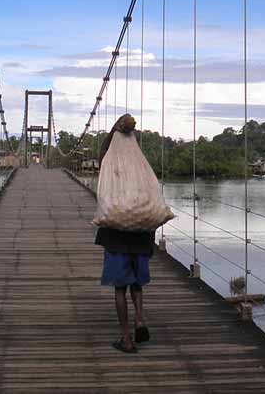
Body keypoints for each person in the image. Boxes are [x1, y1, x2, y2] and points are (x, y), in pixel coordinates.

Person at [95, 113, 155, 354]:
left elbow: (102, 154)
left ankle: (126, 339)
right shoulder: (141, 165)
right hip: (140, 231)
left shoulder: (111, 165)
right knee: (137, 283)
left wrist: (112, 130)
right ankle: (139, 320)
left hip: (117, 233)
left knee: (120, 287)